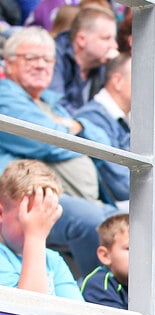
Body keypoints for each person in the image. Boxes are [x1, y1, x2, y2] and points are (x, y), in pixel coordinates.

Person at [0, 26, 113, 276]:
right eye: (31, 58)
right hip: (26, 195)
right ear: (9, 62)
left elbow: (104, 144)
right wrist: (76, 140)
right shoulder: (4, 94)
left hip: (74, 197)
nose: (41, 65)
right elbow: (46, 141)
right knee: (94, 223)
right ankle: (99, 294)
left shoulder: (53, 105)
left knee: (131, 220)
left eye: (47, 59)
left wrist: (77, 127)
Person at [0, 160, 81, 300]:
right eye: (26, 220)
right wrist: (35, 237)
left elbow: (76, 312)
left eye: (43, 221)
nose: (38, 228)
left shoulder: (52, 260)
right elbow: (28, 309)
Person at [80, 213, 155, 315]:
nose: (140, 255)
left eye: (145, 249)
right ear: (105, 255)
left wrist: (154, 285)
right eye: (129, 248)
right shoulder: (99, 284)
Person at [75, 53, 132, 206]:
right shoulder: (93, 117)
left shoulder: (129, 118)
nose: (150, 89)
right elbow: (122, 184)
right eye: (142, 80)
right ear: (117, 81)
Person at [50, 5, 118, 114]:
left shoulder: (102, 65)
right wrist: (85, 122)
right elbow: (54, 105)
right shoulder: (52, 55)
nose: (114, 46)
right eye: (106, 38)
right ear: (81, 39)